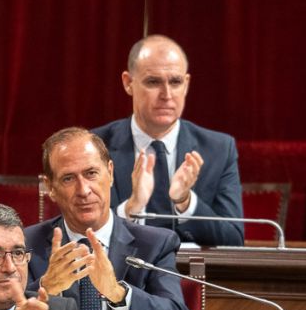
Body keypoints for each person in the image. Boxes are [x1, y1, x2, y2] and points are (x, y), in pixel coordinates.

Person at [25, 127, 189, 310]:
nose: (84, 190)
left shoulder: (155, 244)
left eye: (91, 173)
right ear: (50, 187)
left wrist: (118, 293)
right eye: (68, 178)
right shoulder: (27, 244)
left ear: (110, 173)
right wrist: (45, 289)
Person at [92, 35, 243, 247]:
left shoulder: (218, 149)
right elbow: (77, 233)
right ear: (128, 83)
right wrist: (131, 208)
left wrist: (185, 202)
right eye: (153, 82)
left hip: (189, 267)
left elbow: (233, 238)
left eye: (175, 82)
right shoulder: (94, 148)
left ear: (186, 84)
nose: (166, 94)